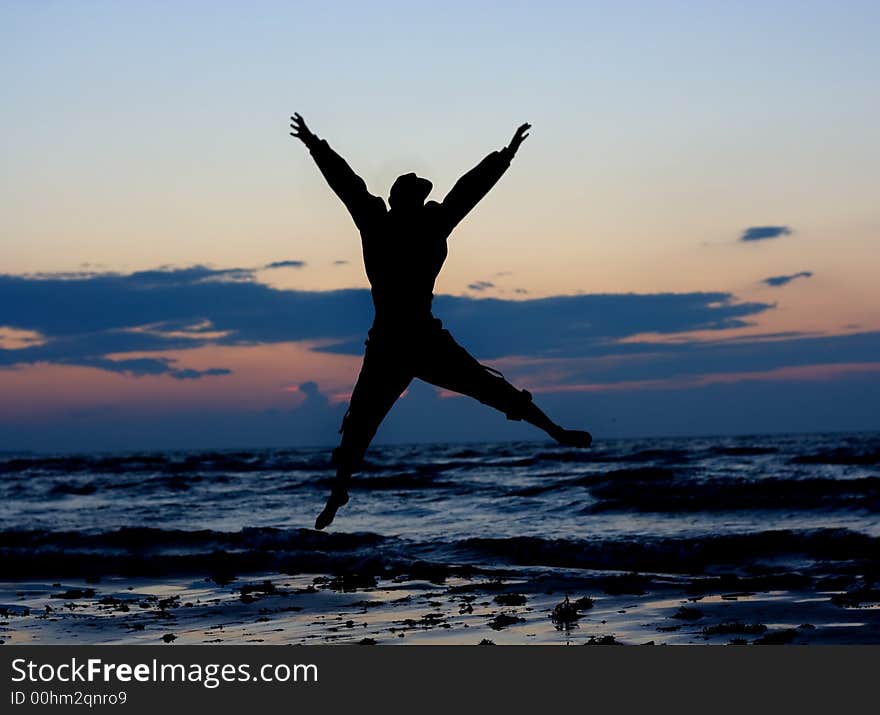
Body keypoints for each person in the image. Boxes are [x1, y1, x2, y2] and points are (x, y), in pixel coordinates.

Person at [290, 113, 592, 529]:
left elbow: (468, 190)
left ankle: (555, 430)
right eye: (416, 193)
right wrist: (314, 144)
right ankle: (338, 492)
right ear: (401, 199)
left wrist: (505, 156)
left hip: (419, 336)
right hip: (393, 340)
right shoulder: (380, 220)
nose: (423, 199)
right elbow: (348, 183)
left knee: (487, 387)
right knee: (360, 421)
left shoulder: (427, 222)